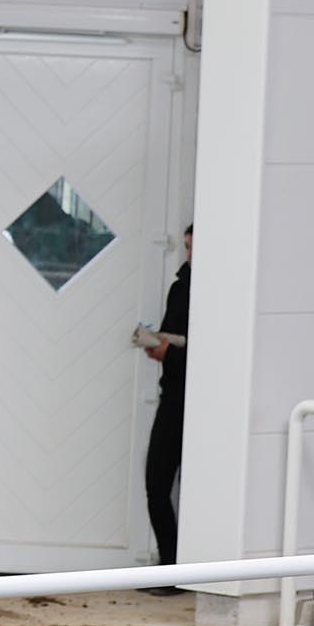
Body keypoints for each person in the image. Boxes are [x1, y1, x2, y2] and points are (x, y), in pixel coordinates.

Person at [141, 224, 194, 588]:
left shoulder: (215, 291)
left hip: (197, 398)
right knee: (156, 482)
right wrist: (158, 346)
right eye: (187, 247)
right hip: (173, 394)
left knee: (178, 485)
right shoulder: (181, 286)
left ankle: (178, 570)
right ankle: (169, 566)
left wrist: (169, 355)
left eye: (196, 248)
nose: (190, 255)